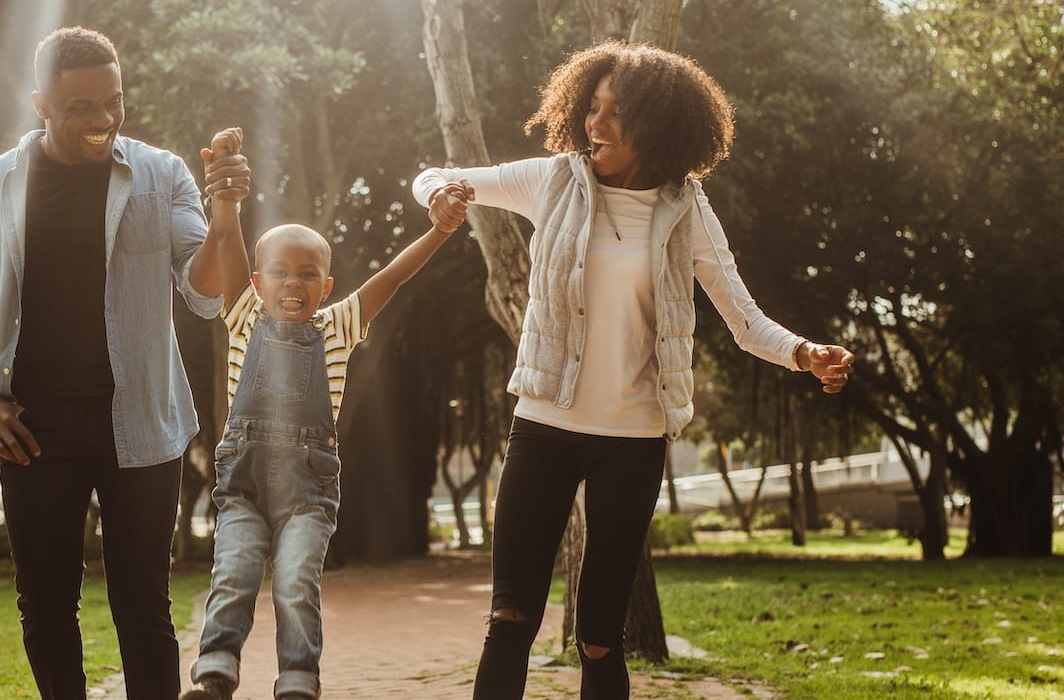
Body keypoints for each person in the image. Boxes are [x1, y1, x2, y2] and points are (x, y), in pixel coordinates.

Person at [411, 41, 855, 700]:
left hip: (634, 439)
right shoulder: (554, 180)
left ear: (661, 124)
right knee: (510, 619)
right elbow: (433, 175)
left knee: (598, 635)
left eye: (618, 113)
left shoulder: (686, 208)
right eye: (592, 108)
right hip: (544, 424)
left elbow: (745, 320)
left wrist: (803, 353)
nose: (598, 125)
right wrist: (443, 194)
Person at [0, 27, 251, 700]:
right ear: (41, 103)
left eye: (114, 101)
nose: (103, 119)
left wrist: (226, 209)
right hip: (31, 430)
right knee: (45, 608)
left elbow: (203, 292)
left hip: (142, 424)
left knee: (144, 608)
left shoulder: (161, 175)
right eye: (82, 107)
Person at [180, 129, 473, 700]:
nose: (294, 283)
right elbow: (231, 240)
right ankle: (214, 677)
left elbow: (393, 275)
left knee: (295, 583)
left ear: (327, 284)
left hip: (309, 494)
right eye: (281, 273)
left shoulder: (340, 326)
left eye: (308, 273)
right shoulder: (242, 313)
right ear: (259, 283)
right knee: (233, 577)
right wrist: (228, 189)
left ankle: (296, 682)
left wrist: (438, 231)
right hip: (242, 487)